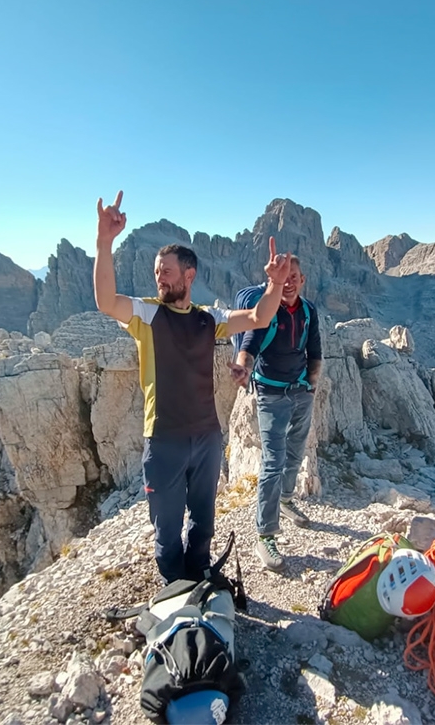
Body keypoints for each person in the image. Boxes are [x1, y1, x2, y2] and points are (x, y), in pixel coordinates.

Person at [93, 190, 292, 584]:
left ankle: (200, 572)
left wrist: (275, 285)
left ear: (189, 275)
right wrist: (104, 242)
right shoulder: (146, 315)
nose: (159, 277)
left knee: (204, 518)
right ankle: (175, 585)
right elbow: (105, 301)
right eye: (156, 271)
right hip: (164, 440)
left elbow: (257, 316)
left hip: (207, 437)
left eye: (166, 270)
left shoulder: (207, 317)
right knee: (167, 530)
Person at [229, 256, 322, 571]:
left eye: (295, 276)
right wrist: (242, 366)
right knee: (273, 462)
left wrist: (311, 386)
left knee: (295, 455)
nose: (290, 281)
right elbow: (250, 344)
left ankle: (285, 500)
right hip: (271, 394)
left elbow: (316, 352)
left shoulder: (309, 311)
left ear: (302, 279)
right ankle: (265, 535)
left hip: (300, 393)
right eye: (286, 277)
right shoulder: (268, 311)